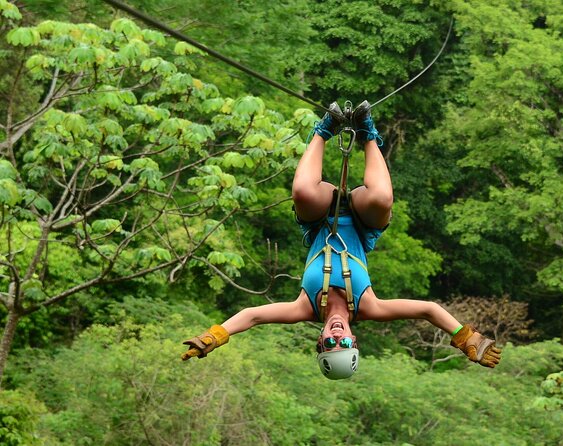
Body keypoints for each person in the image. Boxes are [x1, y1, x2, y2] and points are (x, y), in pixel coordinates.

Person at [181, 101, 502, 379]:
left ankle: (325, 128)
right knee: (381, 199)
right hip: (363, 224)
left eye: (330, 345)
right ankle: (367, 133)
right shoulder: (369, 306)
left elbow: (252, 316)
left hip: (320, 218)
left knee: (303, 193)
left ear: (320, 341)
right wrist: (465, 338)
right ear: (353, 340)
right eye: (344, 344)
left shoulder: (303, 307)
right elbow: (429, 309)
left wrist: (215, 336)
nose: (337, 339)